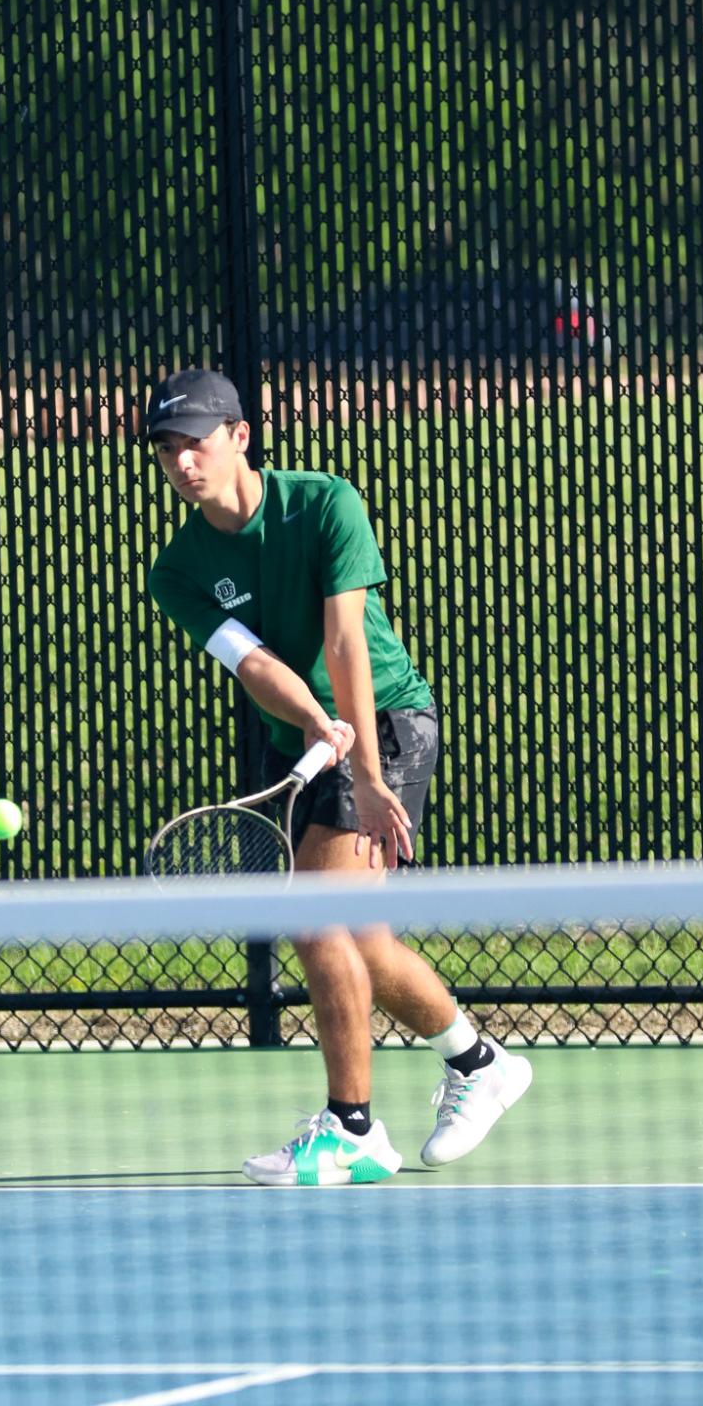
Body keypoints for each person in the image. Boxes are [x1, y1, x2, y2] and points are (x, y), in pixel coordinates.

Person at [145, 367, 532, 1185]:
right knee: (359, 937)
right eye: (169, 450)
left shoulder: (326, 504)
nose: (184, 463)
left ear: (240, 436)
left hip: (388, 718)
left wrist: (359, 751)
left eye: (198, 443)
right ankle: (479, 1061)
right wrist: (317, 726)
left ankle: (353, 1129)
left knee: (319, 918)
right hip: (316, 738)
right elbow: (251, 663)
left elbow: (345, 639)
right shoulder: (176, 571)